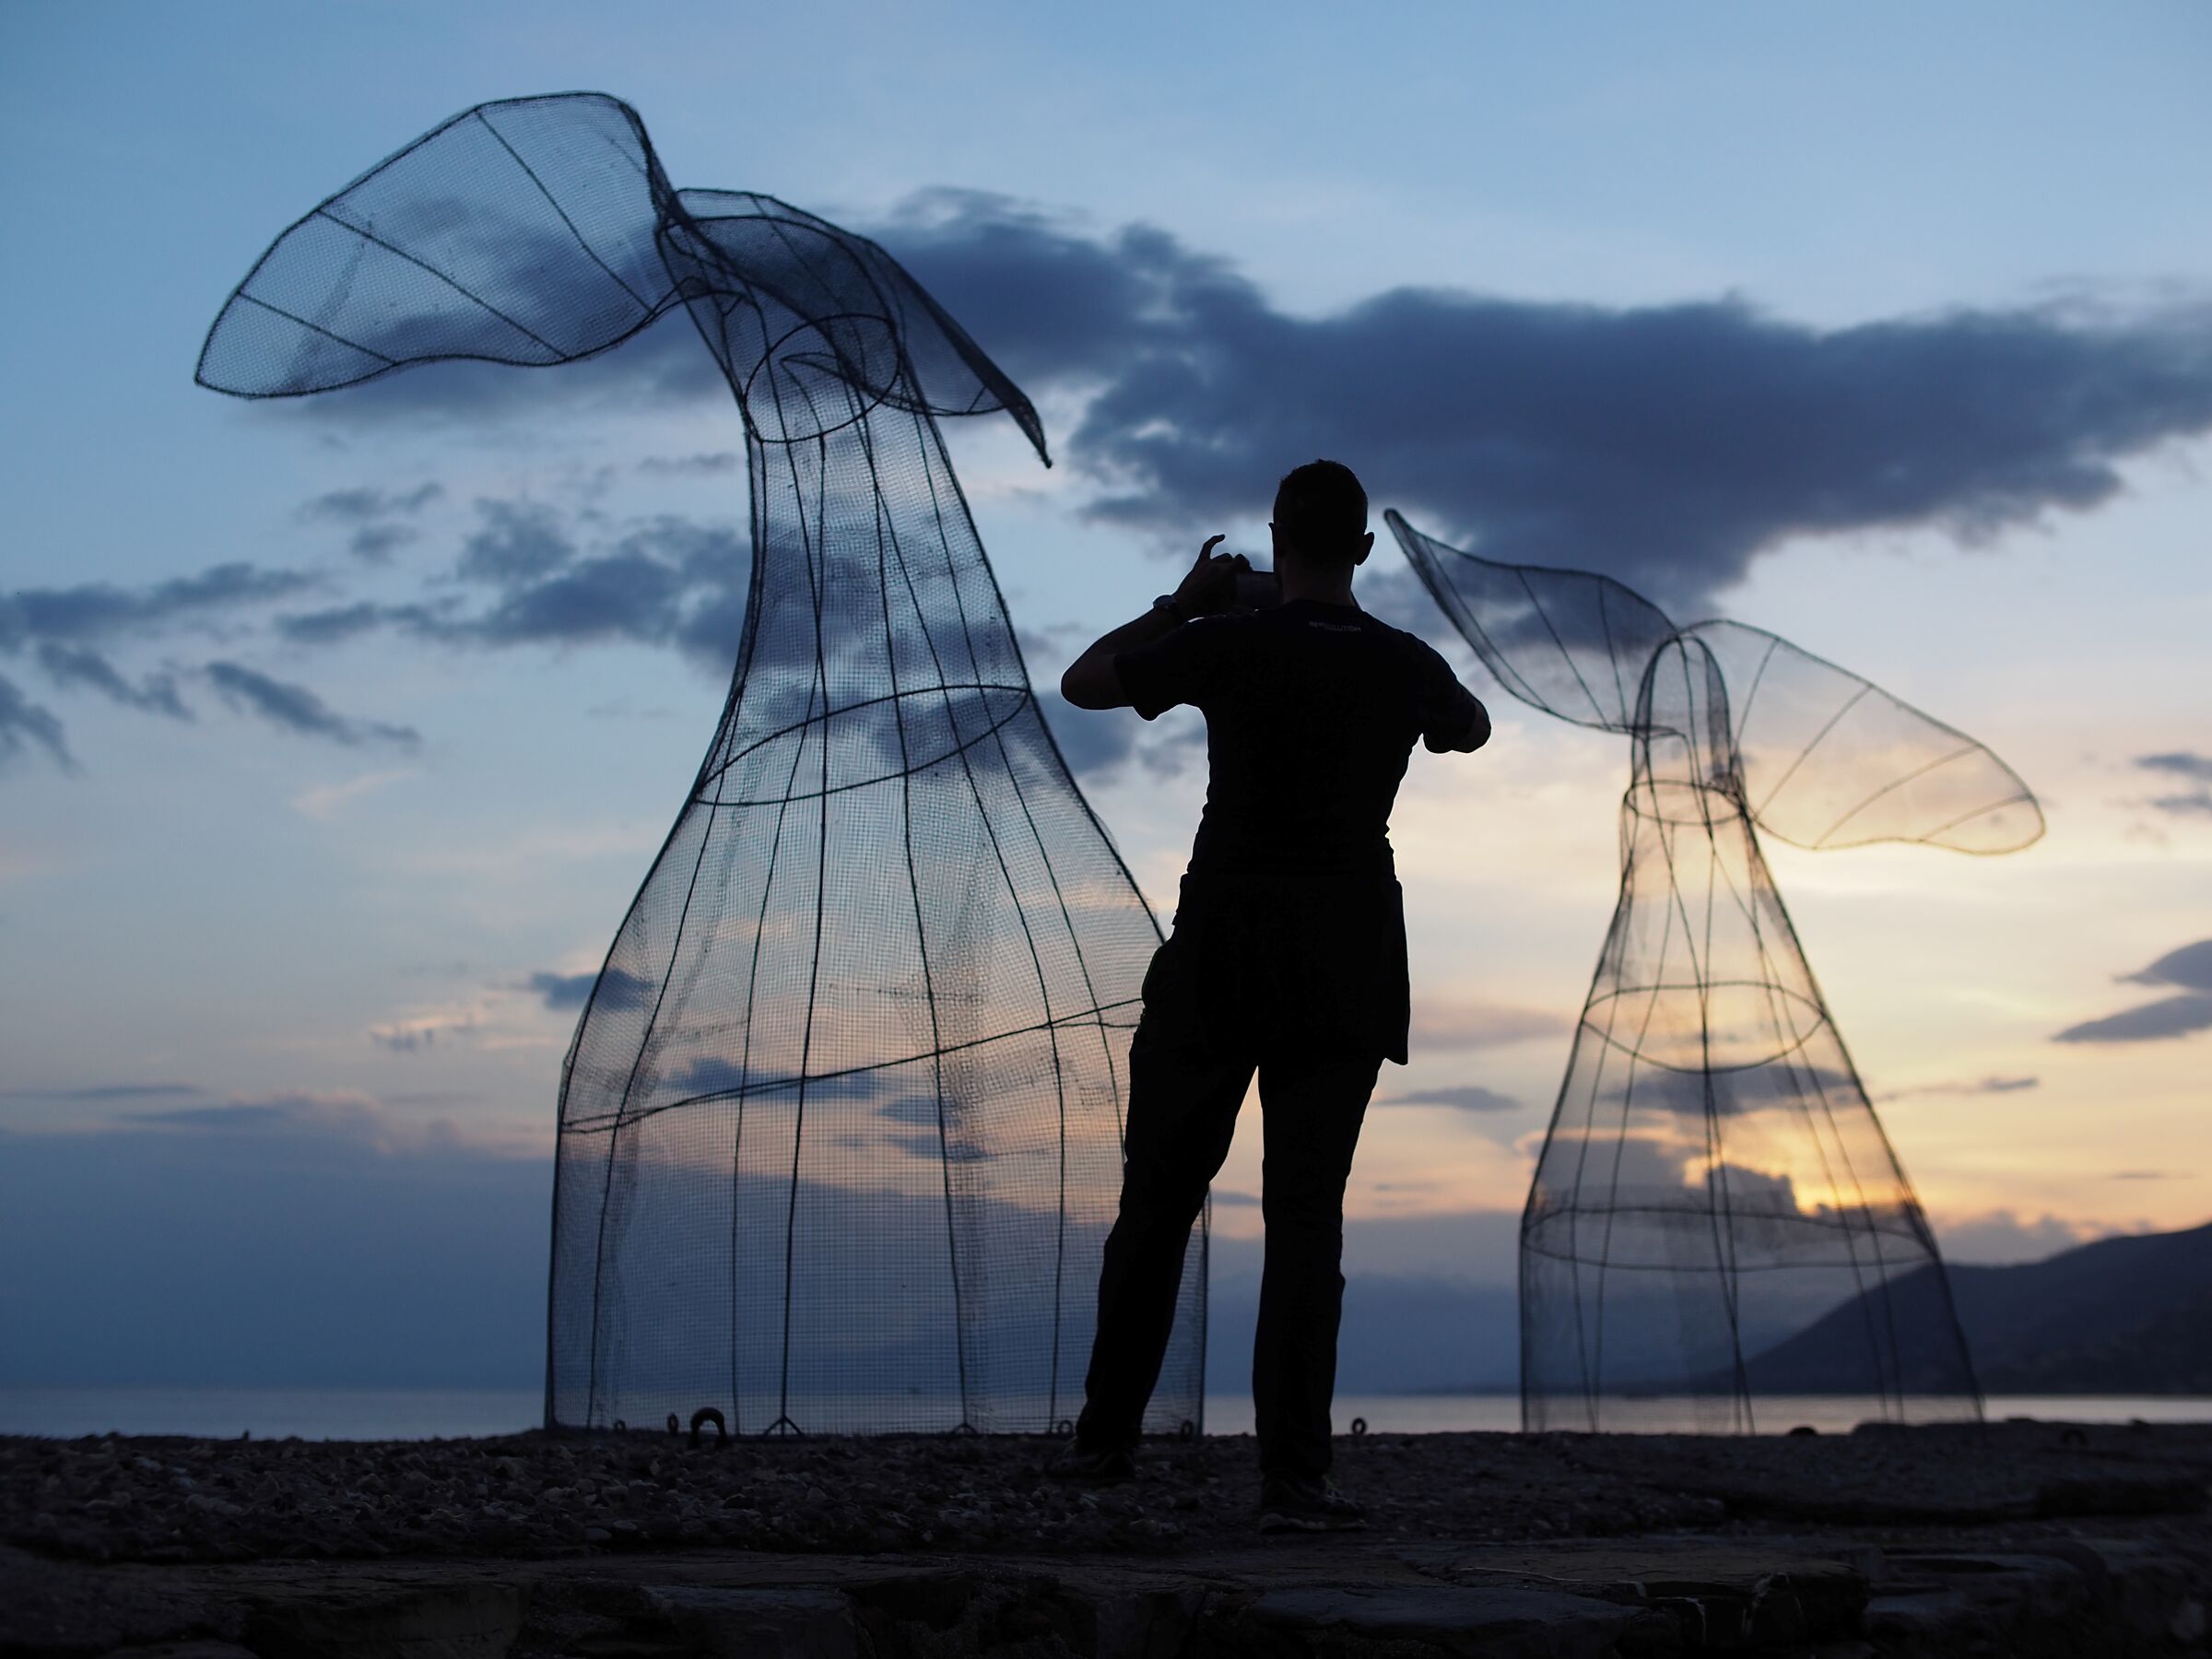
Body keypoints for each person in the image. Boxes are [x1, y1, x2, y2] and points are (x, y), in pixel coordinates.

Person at [1048, 460, 1490, 1533]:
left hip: (1224, 950)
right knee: (1305, 1221)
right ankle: (1295, 1478)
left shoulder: (1225, 641)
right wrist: (1385, 665)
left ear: (1274, 537)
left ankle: (1106, 1450)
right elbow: (1467, 726)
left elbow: (1086, 683)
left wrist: (1187, 605)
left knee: (1157, 1204)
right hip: (1347, 961)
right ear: (1365, 552)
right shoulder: (1403, 660)